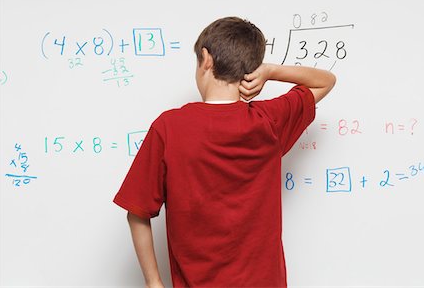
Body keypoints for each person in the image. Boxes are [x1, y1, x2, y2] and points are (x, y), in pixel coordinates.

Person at [113, 16, 336, 288]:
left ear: (206, 59)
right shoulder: (269, 122)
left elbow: (137, 212)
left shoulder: (169, 128)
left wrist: (154, 283)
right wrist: (269, 71)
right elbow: (325, 81)